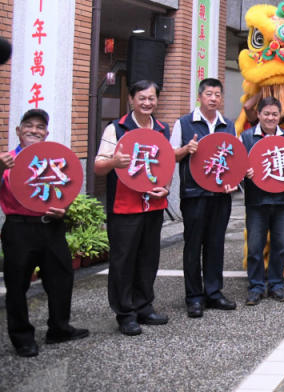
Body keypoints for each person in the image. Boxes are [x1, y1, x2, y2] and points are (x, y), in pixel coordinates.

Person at [0, 109, 88, 357]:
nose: (34, 130)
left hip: (51, 225)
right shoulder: (7, 160)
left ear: (46, 133)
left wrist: (64, 210)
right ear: (18, 131)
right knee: (17, 285)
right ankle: (22, 338)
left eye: (40, 127)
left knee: (61, 279)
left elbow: (66, 189)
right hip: (19, 228)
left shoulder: (54, 160)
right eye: (29, 125)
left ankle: (59, 328)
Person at [94, 80, 171, 335]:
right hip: (124, 206)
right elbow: (98, 166)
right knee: (123, 260)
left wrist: (166, 187)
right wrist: (115, 161)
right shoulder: (116, 129)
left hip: (154, 205)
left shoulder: (162, 129)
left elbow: (165, 165)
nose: (147, 103)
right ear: (131, 99)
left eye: (151, 98)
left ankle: (144, 306)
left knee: (148, 258)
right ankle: (125, 312)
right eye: (142, 98)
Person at [170, 78, 236, 318]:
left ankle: (214, 292)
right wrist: (186, 150)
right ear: (200, 96)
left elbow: (234, 160)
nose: (214, 98)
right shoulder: (184, 123)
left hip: (220, 195)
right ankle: (194, 297)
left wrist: (234, 182)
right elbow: (171, 155)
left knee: (216, 243)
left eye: (218, 94)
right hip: (194, 194)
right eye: (209, 94)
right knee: (193, 245)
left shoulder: (228, 125)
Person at [239, 97, 284, 305]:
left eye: (274, 114)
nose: (270, 118)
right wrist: (245, 172)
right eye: (266, 113)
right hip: (256, 201)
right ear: (258, 115)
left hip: (282, 201)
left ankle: (277, 285)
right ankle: (256, 286)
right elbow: (238, 168)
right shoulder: (246, 137)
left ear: (279, 116)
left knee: (280, 244)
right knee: (255, 245)